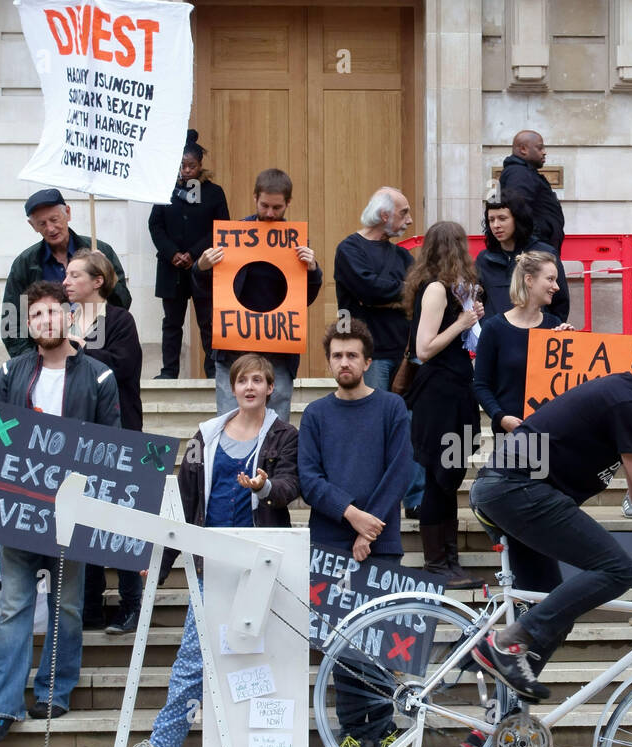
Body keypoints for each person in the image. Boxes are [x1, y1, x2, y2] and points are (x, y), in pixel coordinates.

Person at [467, 316, 632, 702]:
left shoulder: (629, 401)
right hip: (516, 488)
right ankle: (507, 641)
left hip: (514, 490)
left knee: (553, 613)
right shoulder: (627, 399)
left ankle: (501, 732)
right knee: (618, 569)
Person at [123, 354, 300, 747]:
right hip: (211, 565)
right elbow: (182, 506)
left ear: (271, 388)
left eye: (259, 380)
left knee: (260, 656)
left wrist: (265, 486)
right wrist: (162, 564)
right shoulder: (204, 437)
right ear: (232, 387)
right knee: (192, 657)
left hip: (261, 565)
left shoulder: (283, 436)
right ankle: (164, 744)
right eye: (243, 381)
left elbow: (292, 484)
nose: (251, 387)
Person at [0, 281, 120, 745]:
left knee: (66, 607)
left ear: (69, 318)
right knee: (13, 607)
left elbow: (110, 445)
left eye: (52, 314)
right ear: (28, 324)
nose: (44, 322)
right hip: (18, 508)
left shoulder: (99, 376)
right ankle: (3, 705)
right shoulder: (9, 372)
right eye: (35, 315)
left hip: (72, 507)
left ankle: (54, 691)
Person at [298, 320, 414, 747]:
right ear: (329, 362)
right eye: (337, 355)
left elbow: (399, 472)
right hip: (328, 544)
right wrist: (352, 516)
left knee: (381, 641)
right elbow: (309, 478)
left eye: (352, 355)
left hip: (381, 546)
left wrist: (372, 528)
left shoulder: (391, 408)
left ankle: (384, 733)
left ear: (368, 362)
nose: (344, 362)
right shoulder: (316, 415)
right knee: (339, 645)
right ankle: (349, 734)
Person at [193, 168, 323, 419]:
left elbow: (302, 300)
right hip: (233, 349)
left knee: (276, 428)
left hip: (279, 352)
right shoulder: (233, 237)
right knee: (229, 424)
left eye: (277, 208)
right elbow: (206, 290)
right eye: (265, 206)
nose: (270, 214)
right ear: (255, 198)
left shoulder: (295, 244)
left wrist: (313, 270)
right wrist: (201, 267)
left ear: (288, 203)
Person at [63, 248, 145, 635]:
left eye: (75, 275)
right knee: (84, 519)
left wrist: (82, 348)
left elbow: (124, 365)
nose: (66, 282)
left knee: (123, 521)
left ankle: (130, 604)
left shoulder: (120, 319)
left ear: (98, 281)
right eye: (66, 275)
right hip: (79, 434)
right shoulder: (63, 320)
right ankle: (90, 606)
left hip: (121, 431)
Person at [400, 222, 484, 588]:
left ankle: (449, 558)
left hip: (457, 390)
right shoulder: (435, 289)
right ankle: (438, 562)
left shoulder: (457, 292)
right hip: (437, 394)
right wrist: (463, 322)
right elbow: (424, 349)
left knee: (449, 479)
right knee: (438, 479)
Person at [333, 186, 425, 517]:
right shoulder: (349, 249)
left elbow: (415, 294)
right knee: (369, 427)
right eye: (404, 213)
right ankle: (368, 499)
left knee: (410, 426)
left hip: (403, 354)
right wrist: (394, 294)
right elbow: (367, 290)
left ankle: (415, 499)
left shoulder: (403, 256)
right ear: (384, 215)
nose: (409, 220)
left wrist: (389, 296)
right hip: (366, 356)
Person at [1, 188, 130, 358]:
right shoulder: (25, 263)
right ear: (32, 226)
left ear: (68, 213)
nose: (51, 228)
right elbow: (10, 322)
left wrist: (107, 275)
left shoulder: (98, 250)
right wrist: (30, 361)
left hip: (97, 352)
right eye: (42, 224)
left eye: (55, 219)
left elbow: (123, 303)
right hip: (45, 358)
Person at [148, 130, 230, 378]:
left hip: (203, 269)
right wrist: (172, 253)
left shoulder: (214, 193)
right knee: (172, 323)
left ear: (200, 165)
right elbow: (155, 225)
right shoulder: (165, 191)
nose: (186, 170)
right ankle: (169, 372)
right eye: (182, 166)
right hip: (170, 268)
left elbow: (221, 228)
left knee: (208, 322)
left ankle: (214, 371)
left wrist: (194, 254)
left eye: (191, 166)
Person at [474, 249, 570, 438]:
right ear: (529, 280)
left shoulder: (555, 325)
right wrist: (501, 417)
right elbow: (481, 385)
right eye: (550, 279)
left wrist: (570, 344)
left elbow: (568, 385)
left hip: (550, 432)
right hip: (509, 434)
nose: (557, 287)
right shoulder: (494, 328)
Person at [475, 195, 570, 322]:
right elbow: (478, 302)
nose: (496, 225)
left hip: (535, 336)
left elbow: (560, 302)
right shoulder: (484, 259)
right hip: (496, 336)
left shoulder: (545, 253)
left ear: (517, 219)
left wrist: (549, 330)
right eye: (491, 220)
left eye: (502, 219)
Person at [499, 130, 564, 253]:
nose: (544, 152)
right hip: (535, 253)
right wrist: (536, 244)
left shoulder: (523, 172)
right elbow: (519, 211)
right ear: (523, 149)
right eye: (540, 148)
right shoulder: (519, 174)